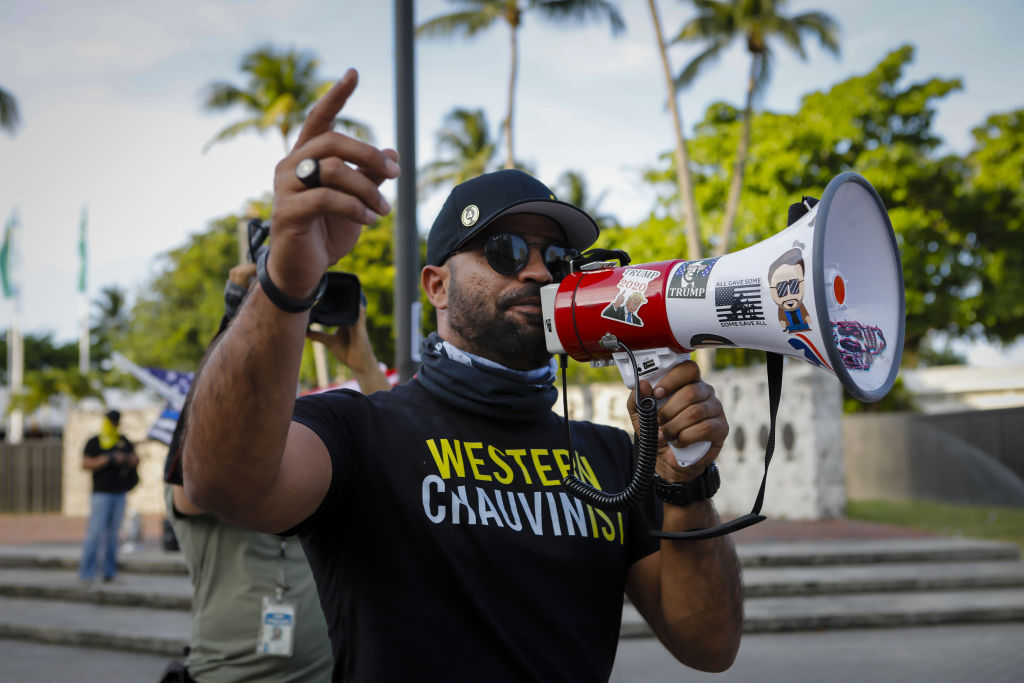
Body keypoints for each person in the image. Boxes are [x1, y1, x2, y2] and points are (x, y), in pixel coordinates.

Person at [182, 70, 743, 681]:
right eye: (504, 251)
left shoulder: (617, 458)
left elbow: (707, 647)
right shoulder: (362, 432)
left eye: (557, 259)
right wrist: (287, 279)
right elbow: (222, 484)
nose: (537, 274)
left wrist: (684, 484)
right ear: (437, 285)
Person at [163, 261, 389, 682]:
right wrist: (235, 319)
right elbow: (200, 445)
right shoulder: (201, 475)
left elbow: (399, 457)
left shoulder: (311, 469)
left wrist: (365, 366)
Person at [78, 409, 138, 585]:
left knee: (114, 536)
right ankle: (86, 574)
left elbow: (136, 459)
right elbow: (85, 463)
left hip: (119, 493)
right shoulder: (95, 441)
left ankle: (109, 573)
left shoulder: (123, 441)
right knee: (95, 534)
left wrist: (124, 458)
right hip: (101, 494)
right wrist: (107, 459)